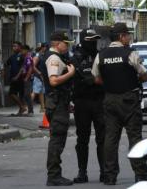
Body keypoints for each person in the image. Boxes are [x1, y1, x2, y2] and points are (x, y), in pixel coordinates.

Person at [92, 23, 147, 185]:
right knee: (135, 137)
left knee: (110, 138)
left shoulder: (101, 55)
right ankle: (140, 174)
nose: (129, 38)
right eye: (128, 35)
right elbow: (144, 76)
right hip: (129, 99)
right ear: (121, 36)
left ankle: (110, 176)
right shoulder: (130, 54)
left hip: (110, 99)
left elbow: (96, 78)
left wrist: (110, 84)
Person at [70, 29, 105, 184]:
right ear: (84, 40)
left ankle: (105, 171)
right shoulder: (76, 57)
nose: (93, 42)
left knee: (102, 139)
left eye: (95, 39)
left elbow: (102, 77)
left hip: (99, 101)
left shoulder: (100, 55)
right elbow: (87, 78)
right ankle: (82, 172)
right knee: (82, 139)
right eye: (90, 39)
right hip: (82, 102)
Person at [44, 31, 76, 186]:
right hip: (56, 104)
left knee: (58, 138)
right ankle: (54, 175)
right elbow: (54, 81)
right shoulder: (54, 58)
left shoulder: (55, 57)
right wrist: (70, 74)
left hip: (58, 102)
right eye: (65, 43)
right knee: (57, 139)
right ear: (57, 43)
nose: (67, 45)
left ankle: (55, 174)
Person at [6, 42, 26, 116]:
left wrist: (17, 76)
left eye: (15, 46)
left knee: (13, 93)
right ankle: (21, 108)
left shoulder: (22, 56)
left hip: (19, 78)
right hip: (13, 77)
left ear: (20, 47)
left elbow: (22, 68)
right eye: (13, 46)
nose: (13, 47)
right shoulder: (12, 56)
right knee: (12, 93)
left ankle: (22, 107)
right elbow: (7, 64)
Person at [32, 43, 48, 113]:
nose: (46, 48)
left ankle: (42, 108)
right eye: (45, 47)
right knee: (35, 92)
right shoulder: (38, 55)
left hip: (42, 76)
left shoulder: (42, 55)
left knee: (41, 92)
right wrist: (39, 73)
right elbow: (33, 66)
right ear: (42, 48)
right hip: (38, 76)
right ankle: (27, 107)